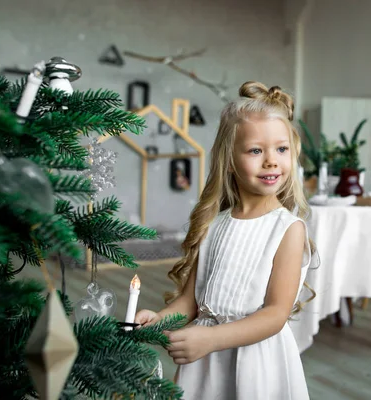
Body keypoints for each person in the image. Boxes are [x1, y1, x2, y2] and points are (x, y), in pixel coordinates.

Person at [135, 81, 317, 399]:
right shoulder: (214, 224)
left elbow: (275, 314)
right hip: (205, 363)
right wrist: (158, 320)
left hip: (256, 362)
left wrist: (211, 339)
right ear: (230, 160)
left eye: (281, 149)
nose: (272, 161)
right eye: (256, 150)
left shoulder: (288, 229)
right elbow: (190, 302)